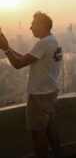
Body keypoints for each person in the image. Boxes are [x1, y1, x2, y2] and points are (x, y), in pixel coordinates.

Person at [0, 11, 62, 158]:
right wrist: (7, 47)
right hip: (50, 93)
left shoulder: (43, 43)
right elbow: (26, 59)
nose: (30, 28)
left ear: (41, 25)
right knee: (50, 129)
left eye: (33, 24)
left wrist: (5, 49)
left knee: (38, 137)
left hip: (39, 97)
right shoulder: (53, 41)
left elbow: (18, 64)